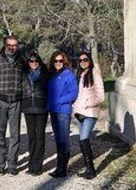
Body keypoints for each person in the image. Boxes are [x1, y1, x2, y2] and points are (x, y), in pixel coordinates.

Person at [0, 35, 26, 175]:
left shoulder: (22, 61)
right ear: (5, 45)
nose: (12, 47)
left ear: (18, 46)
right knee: (0, 135)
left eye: (15, 45)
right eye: (9, 45)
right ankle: (0, 164)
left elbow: (25, 81)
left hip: (16, 102)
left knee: (15, 134)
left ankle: (12, 164)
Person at [72, 51, 106, 179]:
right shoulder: (81, 74)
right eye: (80, 60)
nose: (83, 62)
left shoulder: (95, 73)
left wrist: (87, 104)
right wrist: (76, 105)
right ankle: (88, 168)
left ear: (90, 60)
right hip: (80, 112)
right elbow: (79, 94)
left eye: (85, 59)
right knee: (82, 140)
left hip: (90, 112)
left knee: (84, 138)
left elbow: (101, 96)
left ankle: (91, 170)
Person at [46, 50, 78, 178]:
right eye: (55, 61)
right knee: (58, 139)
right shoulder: (52, 75)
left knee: (63, 140)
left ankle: (62, 169)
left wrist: (60, 100)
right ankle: (60, 167)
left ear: (64, 61)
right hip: (53, 111)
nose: (58, 63)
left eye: (60, 61)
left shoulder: (69, 75)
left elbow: (73, 94)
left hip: (63, 111)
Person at [22, 50, 49, 176]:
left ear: (39, 62)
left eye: (36, 61)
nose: (34, 63)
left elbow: (50, 89)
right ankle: (31, 164)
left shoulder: (45, 73)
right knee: (31, 136)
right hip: (28, 107)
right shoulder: (24, 73)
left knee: (40, 137)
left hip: (41, 107)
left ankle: (38, 166)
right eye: (31, 61)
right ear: (28, 62)